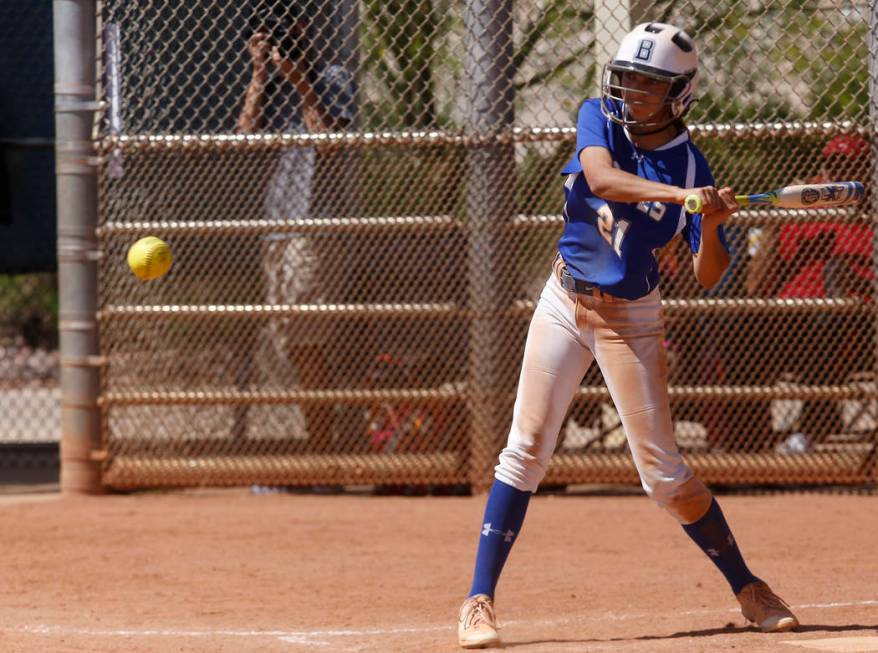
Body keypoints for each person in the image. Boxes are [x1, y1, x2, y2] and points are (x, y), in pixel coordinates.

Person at [456, 23, 798, 649]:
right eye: (628, 78)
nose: (630, 91)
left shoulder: (693, 164)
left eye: (648, 84)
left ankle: (749, 587)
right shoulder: (599, 120)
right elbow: (602, 179)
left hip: (630, 317)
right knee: (524, 449)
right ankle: (478, 601)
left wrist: (714, 223)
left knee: (664, 475)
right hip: (563, 300)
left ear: (678, 95)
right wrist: (683, 198)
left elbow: (708, 275)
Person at [236, 6, 354, 454]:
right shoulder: (272, 90)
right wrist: (261, 74)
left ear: (303, 30)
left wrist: (302, 81)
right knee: (292, 344)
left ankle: (321, 450)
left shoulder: (333, 78)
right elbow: (244, 137)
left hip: (313, 229)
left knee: (308, 344)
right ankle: (317, 443)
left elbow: (326, 143)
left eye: (284, 31)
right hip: (276, 230)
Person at [746, 134, 872, 453]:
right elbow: (755, 287)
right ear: (822, 168)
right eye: (835, 165)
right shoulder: (803, 202)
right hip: (786, 317)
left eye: (853, 166)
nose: (842, 175)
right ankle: (745, 440)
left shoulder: (869, 214)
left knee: (825, 322)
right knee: (735, 327)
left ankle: (812, 430)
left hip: (851, 323)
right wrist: (778, 219)